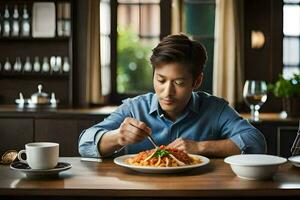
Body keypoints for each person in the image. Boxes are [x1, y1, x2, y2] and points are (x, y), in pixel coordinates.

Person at [78, 34, 266, 158]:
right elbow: (85, 143)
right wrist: (117, 137)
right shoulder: (134, 108)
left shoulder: (214, 109)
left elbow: (256, 143)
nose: (167, 92)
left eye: (179, 83)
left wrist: (200, 148)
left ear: (197, 81)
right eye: (160, 80)